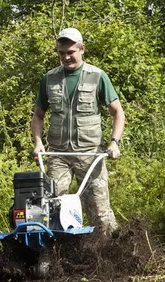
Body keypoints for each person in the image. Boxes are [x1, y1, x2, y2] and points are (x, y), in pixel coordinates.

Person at [31, 28, 125, 236]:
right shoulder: (49, 79)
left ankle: (112, 254)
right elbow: (38, 116)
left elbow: (117, 112)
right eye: (62, 53)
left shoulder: (97, 76)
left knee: (100, 212)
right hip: (58, 155)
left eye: (71, 51)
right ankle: (57, 258)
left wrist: (114, 143)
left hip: (90, 155)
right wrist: (38, 143)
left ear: (82, 49)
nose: (66, 57)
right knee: (52, 208)